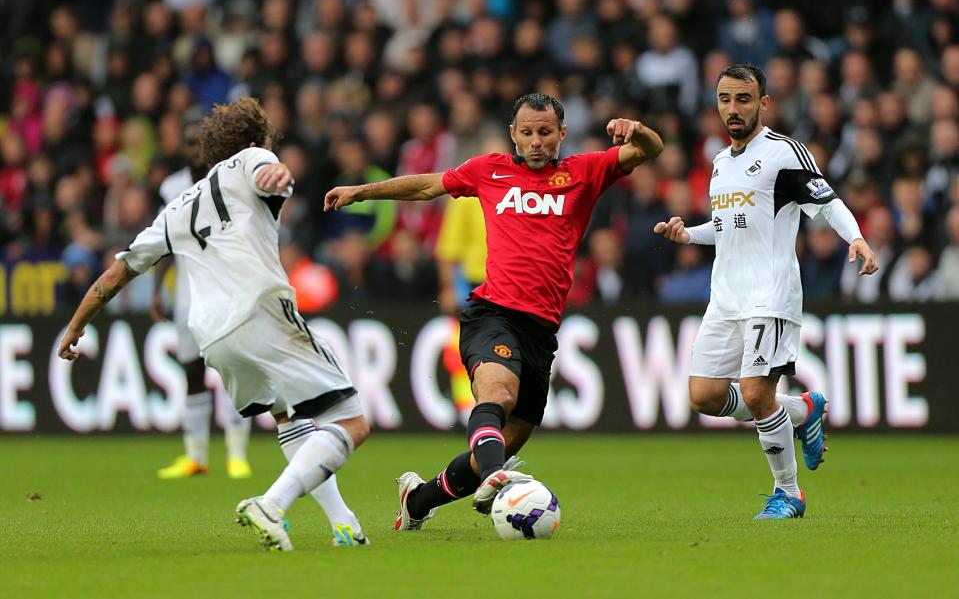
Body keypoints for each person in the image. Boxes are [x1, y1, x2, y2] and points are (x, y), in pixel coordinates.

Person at [325, 92, 663, 530]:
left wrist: (637, 130)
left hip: (542, 330)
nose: (536, 141)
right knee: (497, 396)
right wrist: (361, 191)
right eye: (527, 133)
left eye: (545, 132)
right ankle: (498, 482)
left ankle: (418, 500)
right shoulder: (489, 170)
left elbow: (652, 149)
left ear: (562, 134)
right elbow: (429, 185)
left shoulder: (584, 171)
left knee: (505, 440)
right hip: (493, 312)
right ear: (513, 135)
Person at [58, 97, 370, 551]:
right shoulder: (253, 157)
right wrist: (278, 175)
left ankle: (344, 525)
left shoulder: (177, 207)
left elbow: (116, 273)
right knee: (353, 422)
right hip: (261, 313)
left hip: (213, 339)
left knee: (289, 418)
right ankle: (272, 504)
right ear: (254, 138)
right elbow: (269, 173)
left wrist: (74, 326)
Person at [654, 63, 878, 519]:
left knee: (757, 394)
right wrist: (688, 236)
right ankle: (802, 409)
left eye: (743, 99)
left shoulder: (783, 153)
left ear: (764, 103)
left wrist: (854, 236)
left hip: (770, 293)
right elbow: (727, 227)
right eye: (724, 100)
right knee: (704, 396)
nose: (732, 110)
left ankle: (789, 494)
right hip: (726, 298)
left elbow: (826, 200)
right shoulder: (720, 161)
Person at [151, 118, 254, 481]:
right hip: (187, 293)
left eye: (199, 142)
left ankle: (236, 454)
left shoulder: (229, 180)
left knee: (232, 370)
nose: (194, 148)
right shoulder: (171, 186)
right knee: (192, 372)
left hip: (226, 290)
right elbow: (163, 240)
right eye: (188, 142)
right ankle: (195, 456)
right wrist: (157, 289)